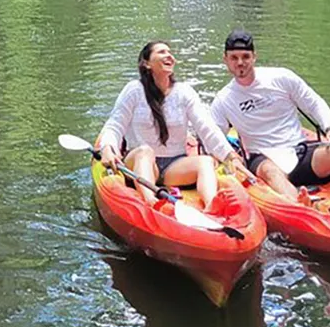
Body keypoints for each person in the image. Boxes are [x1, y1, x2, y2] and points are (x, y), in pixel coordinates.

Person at [210, 30, 330, 205]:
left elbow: (314, 102)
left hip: (299, 151)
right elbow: (213, 137)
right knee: (270, 171)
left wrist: (329, 128)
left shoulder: (282, 78)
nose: (240, 63)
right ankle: (301, 206)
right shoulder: (223, 100)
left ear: (254, 57)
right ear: (226, 60)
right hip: (263, 157)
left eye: (245, 57)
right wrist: (229, 156)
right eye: (234, 58)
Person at [96, 41, 254, 211]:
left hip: (173, 166)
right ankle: (152, 203)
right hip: (140, 163)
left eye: (170, 52)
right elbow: (115, 125)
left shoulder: (184, 92)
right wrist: (107, 147)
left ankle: (211, 206)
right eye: (162, 52)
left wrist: (230, 156)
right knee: (145, 151)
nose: (169, 55)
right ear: (147, 63)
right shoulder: (134, 90)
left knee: (206, 162)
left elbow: (206, 127)